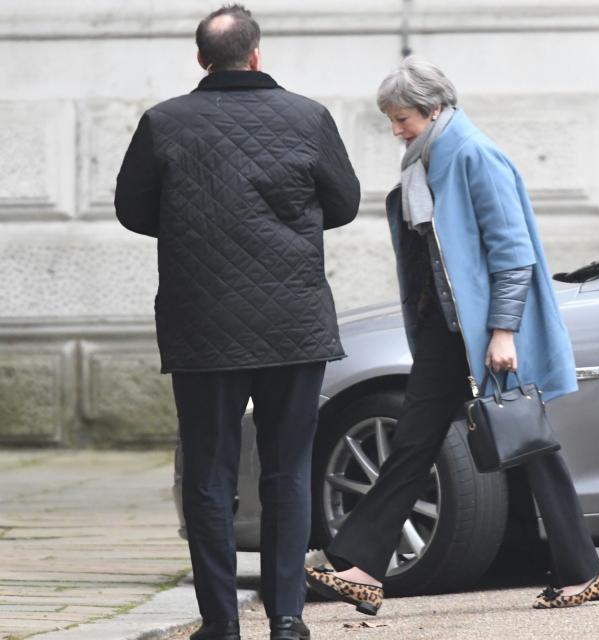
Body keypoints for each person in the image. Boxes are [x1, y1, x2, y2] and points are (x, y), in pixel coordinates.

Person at [305, 56, 599, 614]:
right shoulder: (427, 160)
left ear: (435, 108)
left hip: (483, 331)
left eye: (403, 120)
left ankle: (583, 571)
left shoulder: (471, 154)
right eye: (392, 120)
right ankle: (362, 565)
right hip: (447, 330)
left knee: (528, 443)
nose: (396, 130)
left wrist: (502, 332)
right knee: (415, 443)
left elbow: (513, 257)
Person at [114, 5, 360, 639]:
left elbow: (132, 211)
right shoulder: (309, 117)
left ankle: (221, 622)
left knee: (210, 474)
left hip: (203, 326)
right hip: (293, 323)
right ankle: (286, 619)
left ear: (201, 60)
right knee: (287, 471)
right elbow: (344, 204)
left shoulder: (163, 122)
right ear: (256, 55)